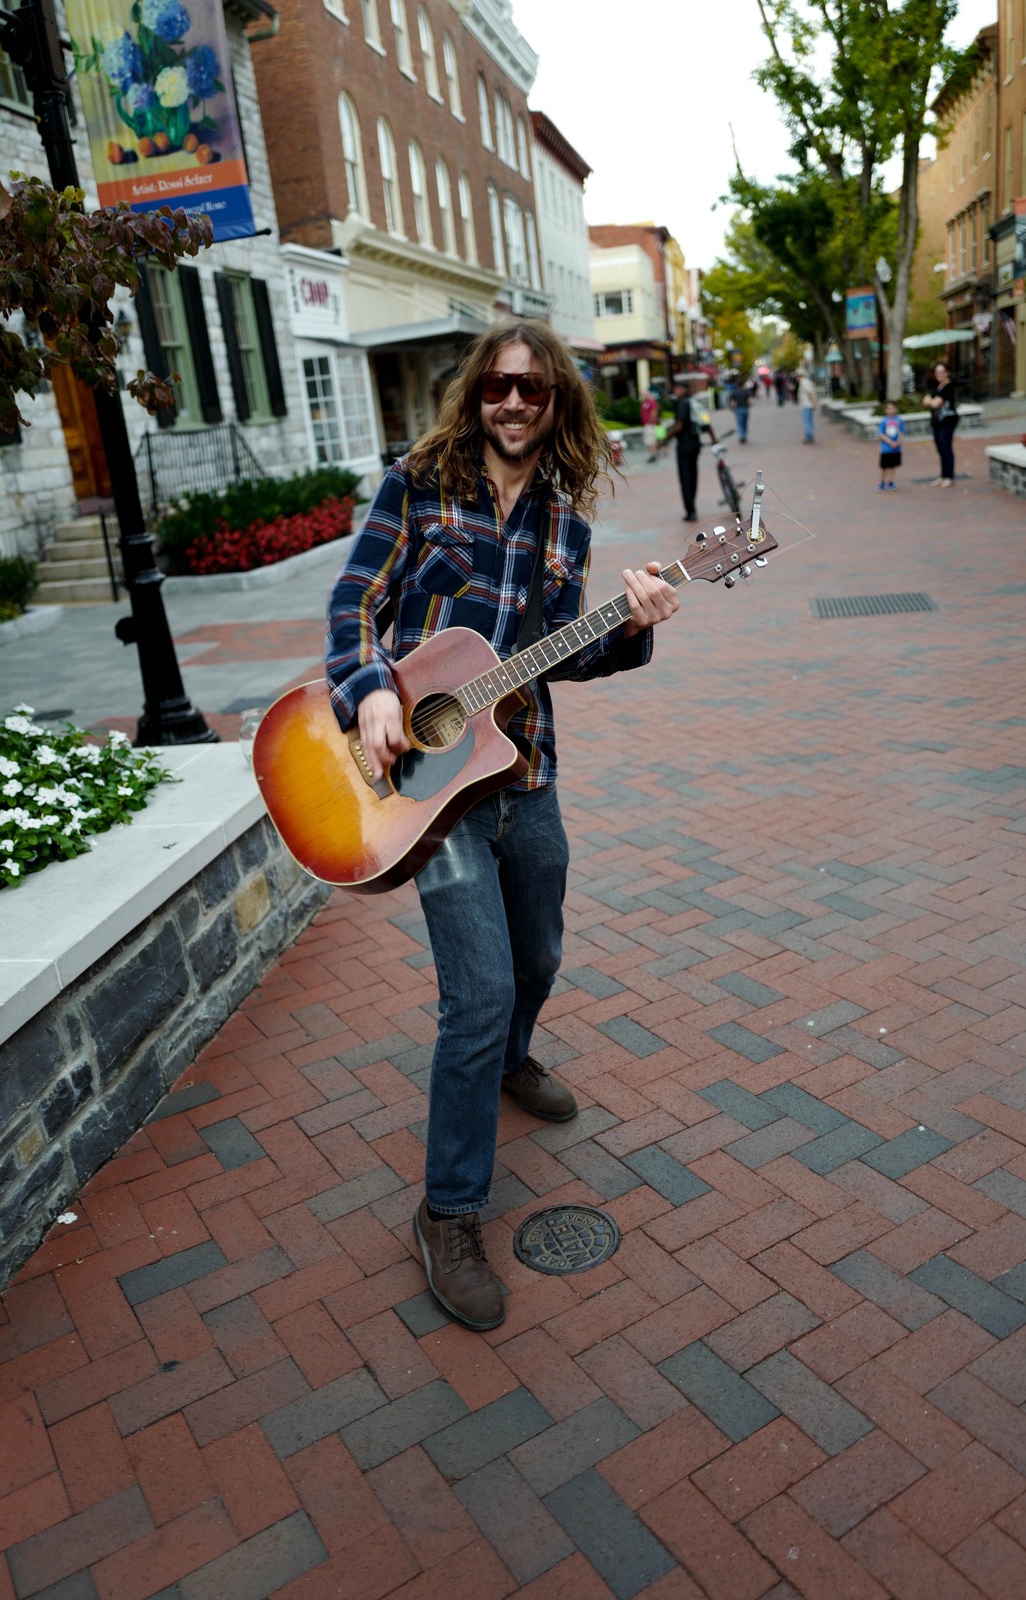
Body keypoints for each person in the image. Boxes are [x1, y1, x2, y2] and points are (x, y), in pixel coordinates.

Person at [324, 321, 678, 1331]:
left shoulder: (564, 519)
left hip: (521, 773)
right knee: (473, 995)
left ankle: (514, 1056)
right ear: (472, 394)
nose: (513, 402)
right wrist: (369, 694)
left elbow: (557, 656)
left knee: (538, 956)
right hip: (432, 798)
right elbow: (355, 599)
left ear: (557, 399)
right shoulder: (417, 483)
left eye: (532, 388)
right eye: (496, 386)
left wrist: (629, 627)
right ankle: (448, 1212)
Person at [665, 378, 716, 522]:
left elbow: (679, 425)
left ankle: (690, 511)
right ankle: (691, 506)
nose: (675, 391)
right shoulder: (695, 403)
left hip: (685, 446)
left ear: (684, 389)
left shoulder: (683, 404)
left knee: (685, 478)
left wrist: (664, 440)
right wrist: (713, 439)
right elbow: (706, 422)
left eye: (678, 388)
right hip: (695, 443)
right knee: (693, 476)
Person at [922, 362, 957, 486]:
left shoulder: (948, 387)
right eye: (937, 372)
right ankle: (942, 476)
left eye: (942, 372)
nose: (939, 374)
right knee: (940, 449)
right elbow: (925, 401)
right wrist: (932, 401)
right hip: (937, 422)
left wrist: (932, 401)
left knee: (946, 447)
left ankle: (950, 477)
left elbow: (935, 404)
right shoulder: (937, 387)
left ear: (947, 373)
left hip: (948, 421)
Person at [877, 399, 904, 490]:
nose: (891, 410)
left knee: (893, 466)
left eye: (892, 408)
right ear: (885, 410)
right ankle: (881, 482)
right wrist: (890, 442)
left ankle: (891, 482)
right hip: (886, 448)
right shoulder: (883, 421)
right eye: (889, 408)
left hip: (896, 448)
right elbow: (881, 434)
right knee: (883, 466)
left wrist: (898, 442)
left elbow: (901, 432)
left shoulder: (899, 420)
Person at [797, 370, 818, 443]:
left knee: (807, 421)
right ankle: (809, 435)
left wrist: (813, 402)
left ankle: (809, 436)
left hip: (806, 404)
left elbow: (809, 392)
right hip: (808, 404)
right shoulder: (807, 381)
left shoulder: (804, 382)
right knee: (809, 420)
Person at [731, 374, 751, 443]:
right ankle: (744, 435)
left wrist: (732, 408)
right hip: (745, 409)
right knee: (745, 423)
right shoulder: (746, 392)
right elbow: (750, 402)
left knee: (740, 424)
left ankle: (742, 436)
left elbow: (733, 403)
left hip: (738, 409)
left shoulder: (734, 392)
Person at [640, 388, 659, 463]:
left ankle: (653, 455)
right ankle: (652, 454)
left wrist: (651, 422)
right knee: (649, 440)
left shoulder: (651, 401)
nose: (644, 395)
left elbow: (654, 412)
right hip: (646, 424)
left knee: (651, 440)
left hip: (650, 424)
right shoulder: (644, 402)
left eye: (645, 394)